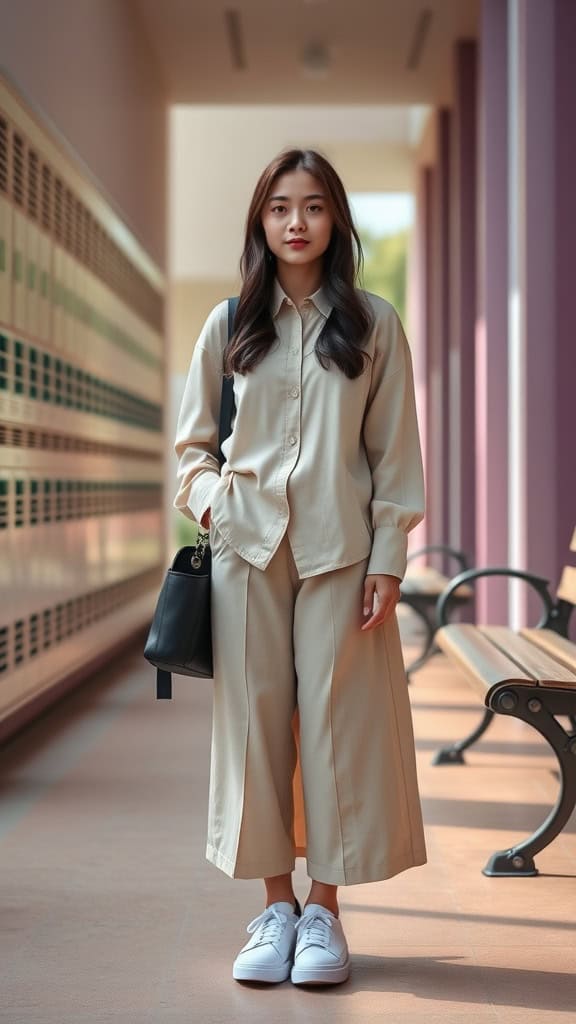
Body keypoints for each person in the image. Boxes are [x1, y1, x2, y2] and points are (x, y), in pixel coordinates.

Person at [173, 148, 426, 987]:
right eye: (280, 207)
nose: (295, 222)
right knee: (255, 734)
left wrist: (388, 557)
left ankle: (326, 913)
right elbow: (190, 453)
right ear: (260, 221)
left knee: (335, 733)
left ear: (335, 221)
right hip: (245, 556)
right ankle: (275, 908)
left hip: (340, 558)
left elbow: (396, 458)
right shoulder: (229, 323)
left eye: (313, 207)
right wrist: (215, 503)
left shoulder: (374, 324)